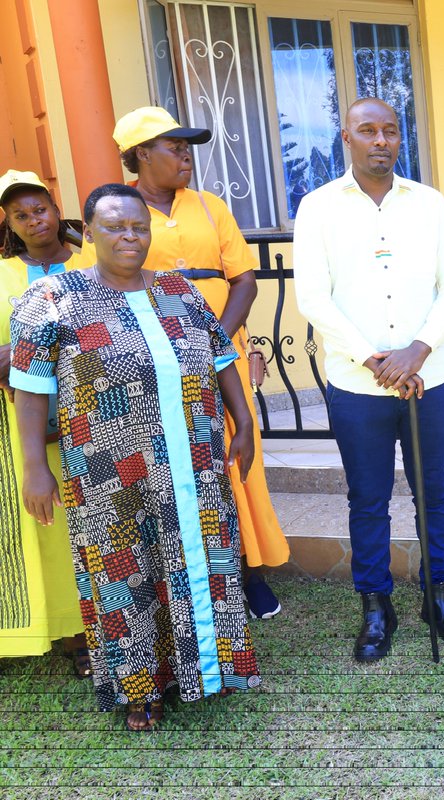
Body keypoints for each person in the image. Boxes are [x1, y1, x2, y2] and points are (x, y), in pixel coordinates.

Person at [10, 183, 261, 730]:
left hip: (194, 462)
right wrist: (34, 466)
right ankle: (138, 688)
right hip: (107, 471)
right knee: (122, 573)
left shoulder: (179, 290)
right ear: (88, 232)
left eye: (139, 227)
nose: (130, 236)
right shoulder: (52, 299)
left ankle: (206, 670)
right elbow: (28, 387)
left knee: (201, 557)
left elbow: (219, 357)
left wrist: (243, 422)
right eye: (115, 227)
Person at [294, 97, 444, 661]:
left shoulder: (430, 203)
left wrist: (418, 350)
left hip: (429, 377)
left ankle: (438, 594)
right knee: (368, 498)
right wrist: (375, 360)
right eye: (367, 130)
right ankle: (376, 605)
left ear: (400, 138)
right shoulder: (318, 208)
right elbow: (313, 298)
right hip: (357, 385)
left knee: (433, 490)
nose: (380, 140)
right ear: (346, 138)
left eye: (390, 131)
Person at [99, 106, 289, 619]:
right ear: (141, 154)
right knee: (179, 460)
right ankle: (196, 572)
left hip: (221, 349)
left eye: (188, 148)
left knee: (237, 451)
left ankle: (250, 570)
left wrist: (215, 343)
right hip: (155, 358)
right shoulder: (118, 209)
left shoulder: (210, 205)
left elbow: (243, 279)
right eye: (175, 147)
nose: (186, 156)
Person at [0, 170, 87, 674]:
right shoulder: (3, 276)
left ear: (56, 209)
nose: (34, 220)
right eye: (21, 215)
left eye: (40, 209)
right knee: (49, 526)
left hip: (94, 418)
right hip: (27, 420)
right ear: (10, 224)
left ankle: (94, 627)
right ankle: (65, 629)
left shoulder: (92, 261)